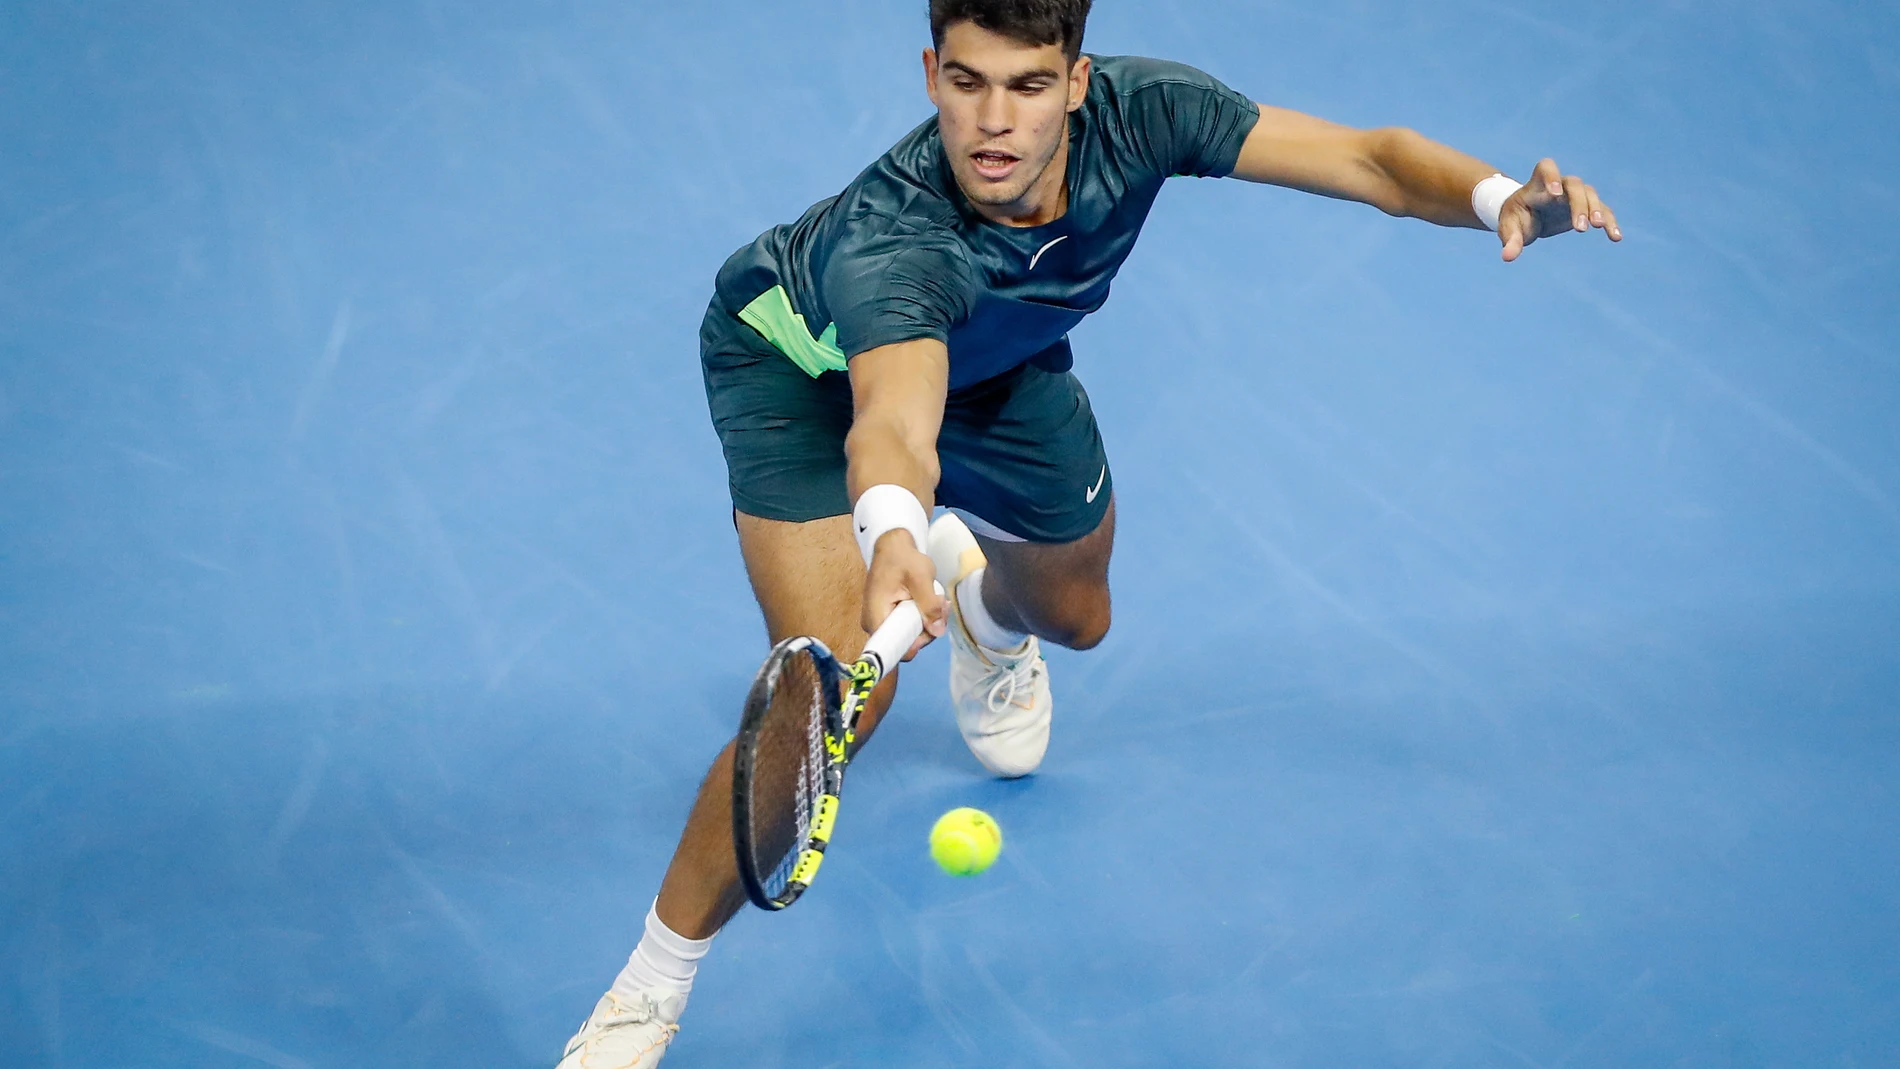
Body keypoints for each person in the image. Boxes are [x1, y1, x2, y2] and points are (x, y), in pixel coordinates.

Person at [558, 0, 1620, 1063]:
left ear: (1076, 80)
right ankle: (649, 985)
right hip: (802, 372)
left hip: (992, 362)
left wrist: (1495, 197)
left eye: (1026, 85)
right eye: (967, 82)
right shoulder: (896, 240)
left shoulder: (1146, 111)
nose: (993, 122)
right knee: (836, 694)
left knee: (1076, 614)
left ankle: (982, 617)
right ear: (931, 73)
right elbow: (890, 420)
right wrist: (888, 531)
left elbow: (1371, 161)